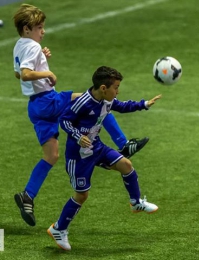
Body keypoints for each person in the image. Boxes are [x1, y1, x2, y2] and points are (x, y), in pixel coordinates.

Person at [12, 4, 149, 227]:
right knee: (95, 100)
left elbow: (17, 71)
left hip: (35, 107)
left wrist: (40, 58)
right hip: (48, 100)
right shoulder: (32, 47)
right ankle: (123, 144)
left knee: (51, 155)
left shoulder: (20, 45)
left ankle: (28, 196)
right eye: (39, 27)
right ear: (27, 29)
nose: (43, 31)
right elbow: (26, 75)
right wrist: (47, 71)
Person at [47, 66, 161, 250]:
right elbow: (64, 120)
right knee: (82, 195)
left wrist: (144, 104)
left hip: (97, 147)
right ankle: (58, 229)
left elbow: (123, 106)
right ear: (103, 88)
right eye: (115, 87)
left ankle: (136, 203)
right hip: (79, 156)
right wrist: (77, 136)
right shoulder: (83, 102)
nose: (117, 91)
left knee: (126, 164)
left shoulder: (108, 99)